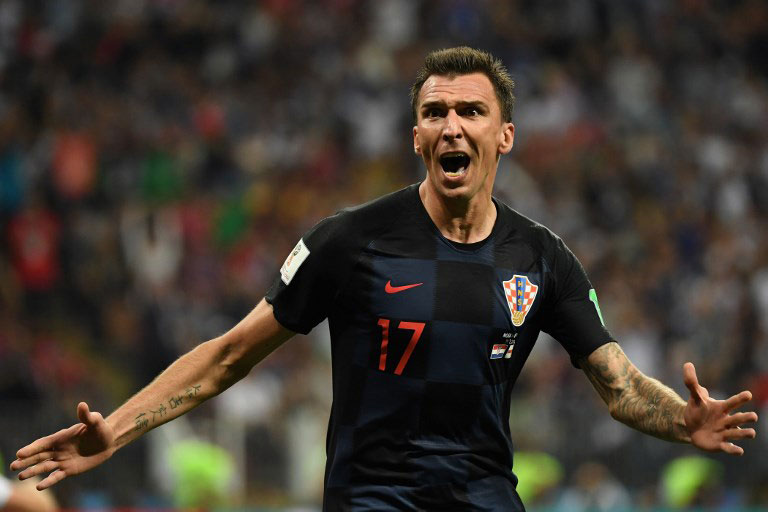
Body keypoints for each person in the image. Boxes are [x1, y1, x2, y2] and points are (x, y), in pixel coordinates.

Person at [10, 47, 758, 511]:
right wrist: (120, 430)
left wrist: (682, 420)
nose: (451, 126)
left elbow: (615, 381)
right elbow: (231, 353)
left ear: (504, 136)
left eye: (471, 111)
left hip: (486, 499)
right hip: (373, 500)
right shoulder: (350, 240)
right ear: (416, 137)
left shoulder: (541, 258)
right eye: (435, 112)